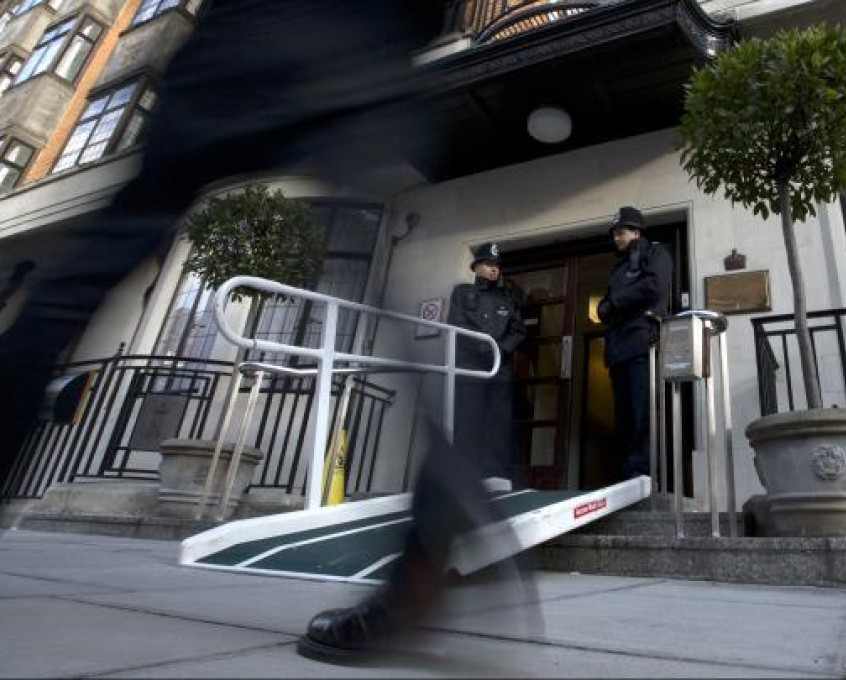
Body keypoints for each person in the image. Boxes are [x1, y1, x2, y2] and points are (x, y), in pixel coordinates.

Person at [0, 0, 529, 663]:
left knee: (92, 265)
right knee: (384, 284)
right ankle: (436, 514)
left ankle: (437, 513)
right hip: (369, 42)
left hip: (254, 36)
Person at [596, 206, 673, 481]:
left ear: (636, 231)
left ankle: (644, 472)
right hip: (618, 348)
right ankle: (629, 474)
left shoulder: (656, 253)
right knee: (624, 416)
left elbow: (653, 286)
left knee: (644, 413)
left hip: (642, 343)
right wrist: (610, 305)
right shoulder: (618, 269)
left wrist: (616, 302)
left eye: (621, 232)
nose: (616, 238)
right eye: (614, 233)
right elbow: (603, 307)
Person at [446, 242, 527, 486]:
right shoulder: (461, 293)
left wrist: (499, 350)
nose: (494, 270)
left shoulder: (508, 298)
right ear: (477, 266)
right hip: (469, 366)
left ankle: (498, 477)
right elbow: (457, 324)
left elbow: (518, 330)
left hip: (499, 368)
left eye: (497, 266)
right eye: (489, 264)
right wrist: (483, 347)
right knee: (468, 421)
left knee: (498, 423)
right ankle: (466, 478)